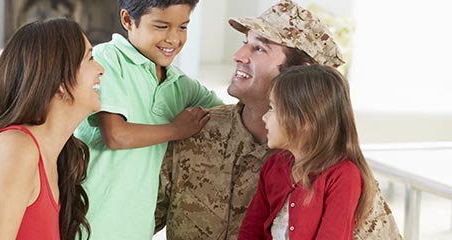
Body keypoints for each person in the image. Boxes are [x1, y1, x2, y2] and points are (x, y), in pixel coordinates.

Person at [155, 1, 401, 240]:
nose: (238, 55)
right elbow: (140, 217)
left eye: (259, 48)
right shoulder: (196, 128)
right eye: (245, 43)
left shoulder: (334, 170)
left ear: (301, 73)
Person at [0, 18, 104, 240]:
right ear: (62, 81)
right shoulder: (16, 150)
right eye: (90, 58)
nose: (101, 69)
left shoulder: (56, 158)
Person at [73, 0, 222, 239]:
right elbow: (116, 135)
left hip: (137, 229)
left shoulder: (180, 84)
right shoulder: (107, 59)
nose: (173, 39)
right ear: (127, 20)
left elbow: (227, 114)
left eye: (182, 27)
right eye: (161, 26)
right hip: (89, 225)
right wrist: (176, 129)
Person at [238, 64, 373, 239]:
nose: (265, 117)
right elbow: (250, 231)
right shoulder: (274, 165)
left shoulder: (344, 175)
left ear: (305, 120)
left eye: (272, 108)